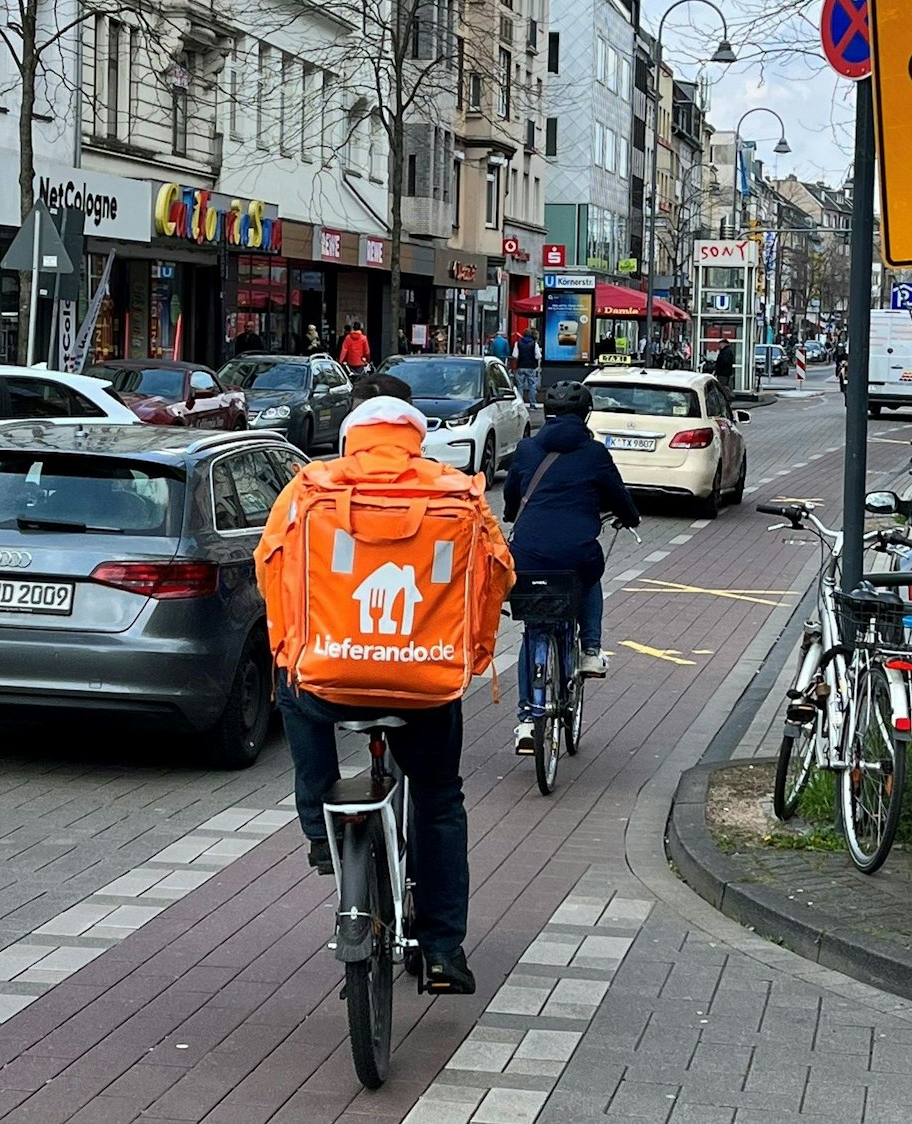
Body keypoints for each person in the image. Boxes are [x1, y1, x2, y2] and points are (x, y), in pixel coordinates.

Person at [257, 389, 511, 995]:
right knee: (439, 797)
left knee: (292, 691)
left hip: (332, 682)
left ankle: (322, 830)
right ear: (415, 440)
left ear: (352, 439)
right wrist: (471, 656)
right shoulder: (454, 490)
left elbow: (269, 564)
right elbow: (497, 573)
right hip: (424, 686)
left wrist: (289, 650)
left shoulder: (311, 487)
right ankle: (445, 948)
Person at [502, 381, 640, 753]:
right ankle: (591, 649)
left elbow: (512, 496)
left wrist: (513, 513)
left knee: (533, 632)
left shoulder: (529, 449)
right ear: (586, 416)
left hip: (528, 555)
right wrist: (630, 518)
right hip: (576, 552)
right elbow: (618, 495)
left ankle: (528, 720)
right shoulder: (594, 452)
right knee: (590, 575)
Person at [512, 328, 541, 402]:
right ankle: (532, 403)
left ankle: (520, 402)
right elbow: (538, 356)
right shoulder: (534, 344)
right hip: (531, 367)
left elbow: (515, 355)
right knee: (532, 386)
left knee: (520, 386)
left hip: (520, 366)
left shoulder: (518, 343)